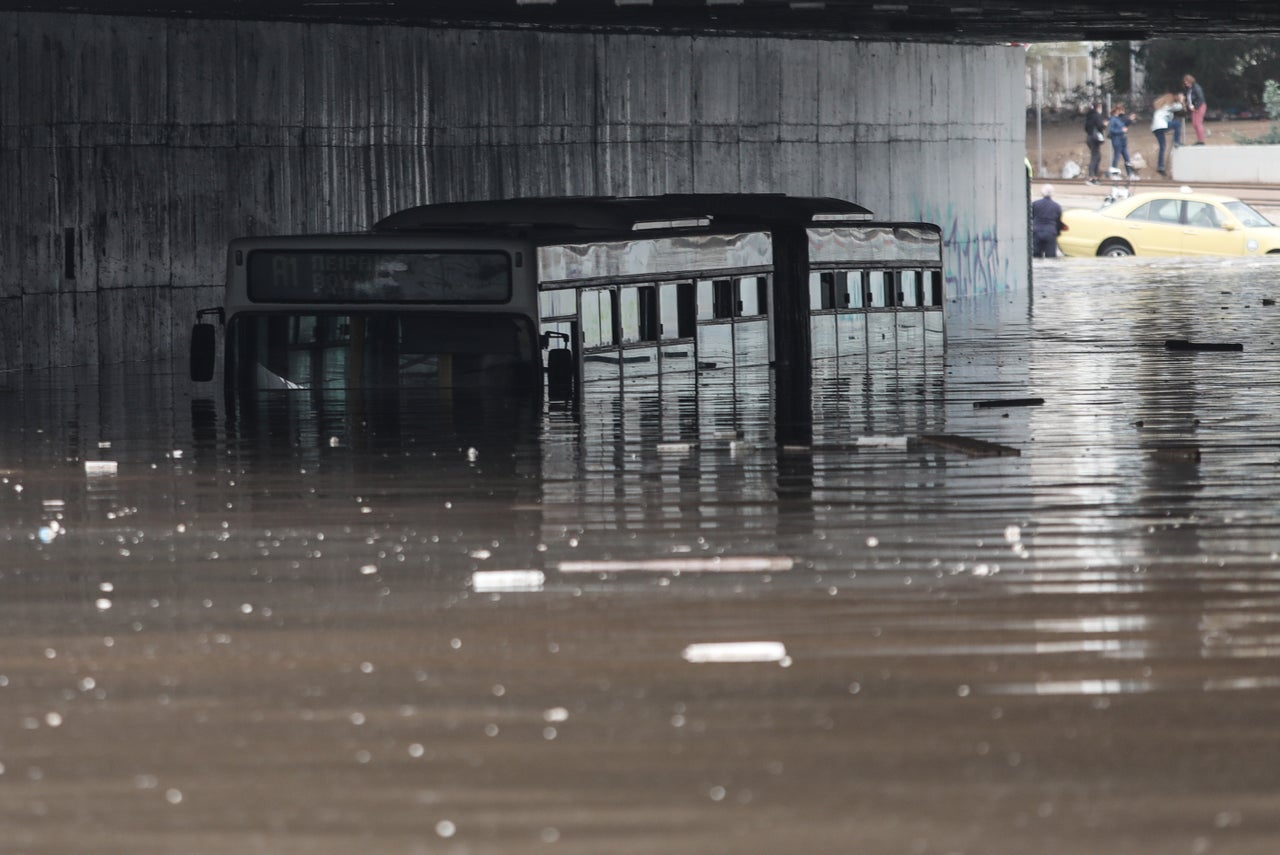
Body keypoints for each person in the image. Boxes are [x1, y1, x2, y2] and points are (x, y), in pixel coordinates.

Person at [1030, 184, 1064, 259]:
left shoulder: (1035, 204)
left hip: (1036, 232)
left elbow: (1030, 218)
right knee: (1051, 257)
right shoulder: (1056, 206)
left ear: (1042, 193)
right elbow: (1058, 222)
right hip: (1050, 232)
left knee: (1036, 256)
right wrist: (1057, 233)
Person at [1108, 104, 1137, 178]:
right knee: (1117, 156)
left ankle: (1129, 174)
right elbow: (1111, 130)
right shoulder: (1113, 119)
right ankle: (1114, 174)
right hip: (1117, 141)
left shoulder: (1118, 119)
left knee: (1127, 157)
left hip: (1123, 141)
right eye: (1121, 110)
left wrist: (1129, 120)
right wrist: (1121, 131)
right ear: (1117, 111)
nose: (1122, 112)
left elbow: (1124, 126)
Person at [1151, 94, 1176, 176]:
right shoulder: (1167, 106)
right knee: (1177, 124)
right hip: (1162, 125)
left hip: (1155, 128)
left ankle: (1160, 166)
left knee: (1162, 146)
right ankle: (1177, 141)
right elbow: (1178, 107)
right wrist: (1181, 100)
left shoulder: (1159, 108)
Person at [1083, 103, 1107, 184]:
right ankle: (1091, 177)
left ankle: (1094, 176)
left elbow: (1086, 127)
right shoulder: (1097, 115)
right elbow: (1100, 126)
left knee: (1097, 156)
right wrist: (1105, 125)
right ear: (1098, 108)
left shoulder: (1089, 116)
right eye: (1100, 107)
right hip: (1095, 138)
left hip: (1089, 137)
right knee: (1095, 156)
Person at [1184, 74, 1207, 145]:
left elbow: (1200, 98)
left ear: (1190, 80)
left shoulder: (1196, 87)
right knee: (1194, 124)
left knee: (1198, 123)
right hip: (1194, 108)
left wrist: (1196, 107)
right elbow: (1190, 99)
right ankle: (1199, 140)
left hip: (1200, 106)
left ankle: (1201, 141)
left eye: (1187, 81)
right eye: (1185, 82)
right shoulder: (1190, 89)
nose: (1185, 83)